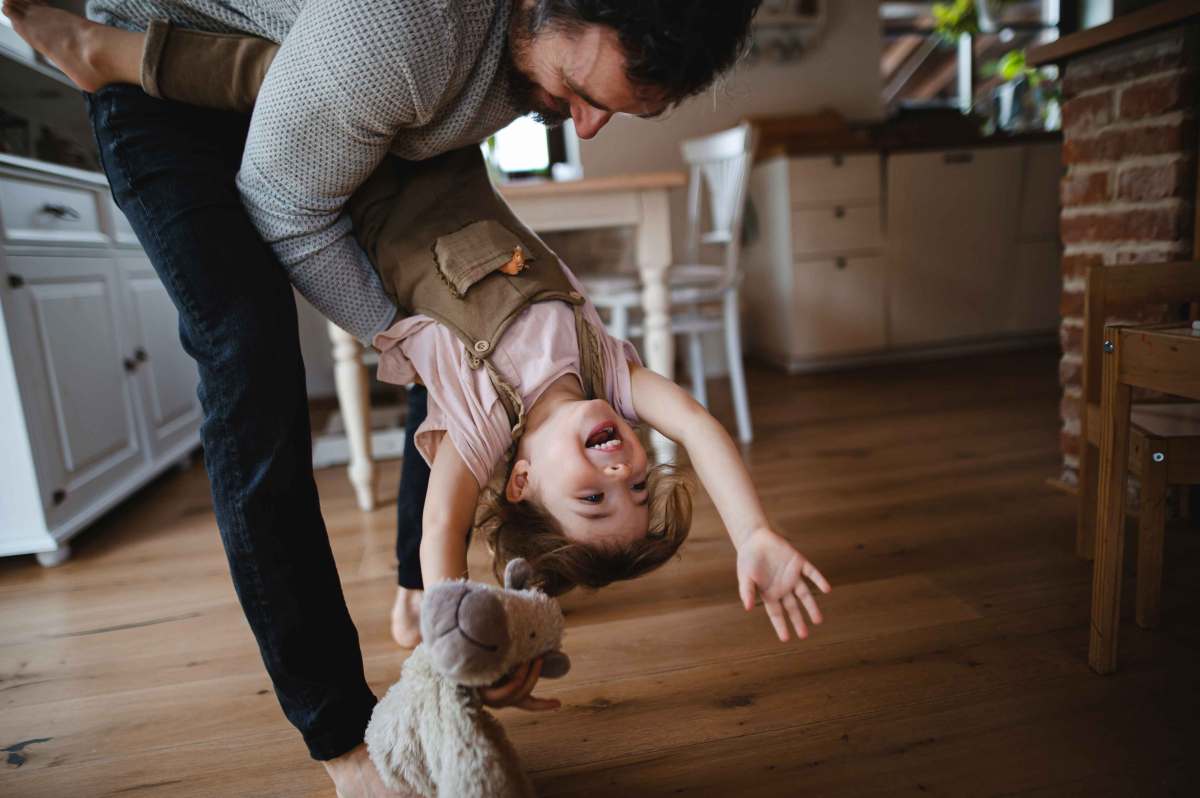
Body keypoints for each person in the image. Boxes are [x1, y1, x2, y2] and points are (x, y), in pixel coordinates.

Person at [4, 1, 830, 794]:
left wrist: (448, 622)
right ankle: (109, 53)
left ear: (522, 482)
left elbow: (446, 525)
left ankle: (118, 55)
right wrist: (751, 530)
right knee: (254, 331)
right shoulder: (608, 367)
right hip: (382, 138)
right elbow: (696, 421)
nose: (621, 471)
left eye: (593, 497)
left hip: (365, 157)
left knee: (270, 76)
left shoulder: (478, 421)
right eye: (637, 486)